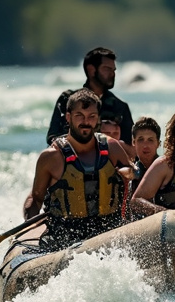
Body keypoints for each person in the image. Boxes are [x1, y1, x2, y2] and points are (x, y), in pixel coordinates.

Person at [24, 88, 136, 251]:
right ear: (68, 118)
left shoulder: (113, 148)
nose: (86, 122)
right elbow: (35, 199)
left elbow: (134, 179)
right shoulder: (51, 158)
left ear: (98, 119)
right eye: (79, 116)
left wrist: (130, 172)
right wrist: (31, 226)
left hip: (109, 233)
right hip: (66, 237)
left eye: (91, 117)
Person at [46, 47, 134, 145]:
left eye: (113, 70)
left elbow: (132, 146)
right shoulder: (68, 99)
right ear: (91, 70)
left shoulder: (119, 107)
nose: (112, 74)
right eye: (107, 69)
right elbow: (53, 137)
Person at [130, 116, 161, 192]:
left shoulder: (168, 169)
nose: (145, 145)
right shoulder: (130, 173)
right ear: (134, 142)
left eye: (150, 140)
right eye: (141, 139)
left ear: (158, 144)